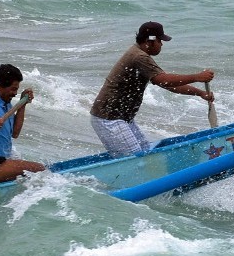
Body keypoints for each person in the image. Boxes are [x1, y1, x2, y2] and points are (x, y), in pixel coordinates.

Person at [90, 21, 215, 156]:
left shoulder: (139, 54)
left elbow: (167, 84)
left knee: (146, 154)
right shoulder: (139, 56)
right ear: (150, 41)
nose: (161, 44)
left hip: (121, 118)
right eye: (160, 40)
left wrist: (200, 93)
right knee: (137, 161)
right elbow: (164, 80)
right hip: (109, 119)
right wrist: (197, 77)